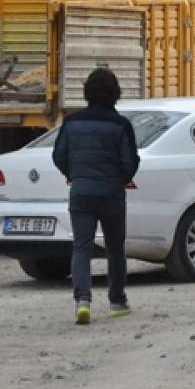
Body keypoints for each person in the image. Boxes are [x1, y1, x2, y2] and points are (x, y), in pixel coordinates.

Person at [52, 68, 140, 325]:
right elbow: (130, 161)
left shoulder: (71, 122)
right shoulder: (121, 125)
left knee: (81, 247)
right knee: (114, 248)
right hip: (112, 194)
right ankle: (117, 301)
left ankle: (82, 301)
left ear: (87, 91)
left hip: (81, 193)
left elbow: (58, 156)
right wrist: (121, 179)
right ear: (115, 93)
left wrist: (73, 174)